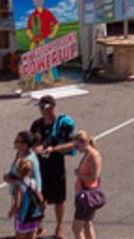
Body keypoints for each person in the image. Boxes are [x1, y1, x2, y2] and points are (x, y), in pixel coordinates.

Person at [29, 94, 77, 237]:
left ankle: (60, 227)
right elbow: (31, 142)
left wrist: (54, 149)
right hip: (40, 165)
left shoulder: (62, 123)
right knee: (40, 196)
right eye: (41, 107)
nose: (43, 111)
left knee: (59, 199)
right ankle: (39, 225)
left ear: (53, 107)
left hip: (56, 164)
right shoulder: (36, 125)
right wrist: (35, 149)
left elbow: (72, 143)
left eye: (46, 108)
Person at [68, 132, 102, 239]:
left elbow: (93, 177)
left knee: (76, 228)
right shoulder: (88, 154)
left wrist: (79, 175)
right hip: (83, 193)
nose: (76, 149)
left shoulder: (93, 156)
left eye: (77, 146)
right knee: (87, 224)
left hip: (86, 195)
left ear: (85, 142)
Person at [5, 154, 45, 238]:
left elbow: (17, 204)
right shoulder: (33, 183)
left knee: (19, 236)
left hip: (22, 216)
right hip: (33, 215)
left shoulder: (18, 186)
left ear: (18, 171)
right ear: (29, 171)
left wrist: (11, 212)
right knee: (32, 235)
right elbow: (41, 199)